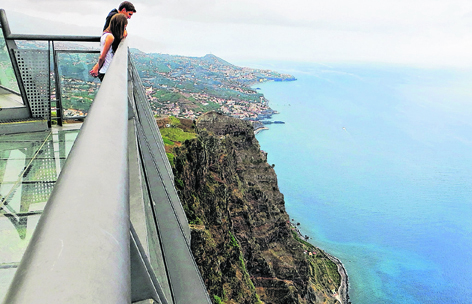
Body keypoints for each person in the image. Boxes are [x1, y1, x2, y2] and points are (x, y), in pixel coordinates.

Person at [90, 14, 128, 81]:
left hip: (106, 70)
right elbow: (102, 56)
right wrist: (97, 68)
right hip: (107, 70)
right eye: (124, 27)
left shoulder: (105, 34)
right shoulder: (110, 37)